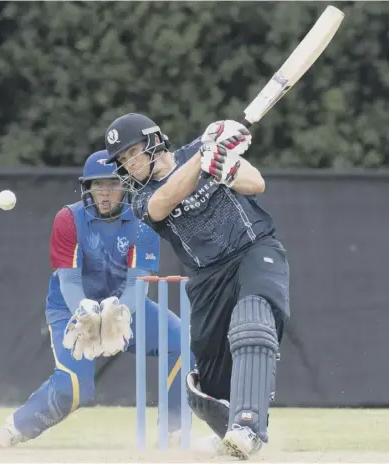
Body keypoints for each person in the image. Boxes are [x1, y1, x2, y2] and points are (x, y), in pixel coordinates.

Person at [104, 114, 290, 459]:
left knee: (251, 324)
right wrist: (205, 154)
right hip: (207, 279)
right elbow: (164, 202)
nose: (128, 164)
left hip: (253, 249)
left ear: (153, 141)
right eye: (122, 160)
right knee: (209, 388)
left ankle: (248, 427)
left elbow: (255, 182)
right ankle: (233, 432)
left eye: (132, 153)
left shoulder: (203, 152)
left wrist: (219, 160)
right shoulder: (142, 198)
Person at [0, 150, 193, 448]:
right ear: (88, 188)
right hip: (72, 309)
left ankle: (174, 431)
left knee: (181, 344)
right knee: (73, 389)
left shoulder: (143, 220)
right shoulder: (68, 218)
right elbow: (69, 280)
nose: (105, 192)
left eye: (112, 184)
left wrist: (121, 312)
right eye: (98, 185)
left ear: (125, 185)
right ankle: (15, 428)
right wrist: (85, 311)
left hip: (123, 305)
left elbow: (138, 280)